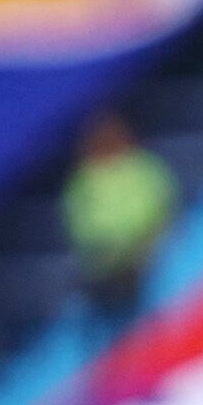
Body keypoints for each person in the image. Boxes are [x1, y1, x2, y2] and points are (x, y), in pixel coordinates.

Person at [62, 111, 175, 329]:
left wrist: (139, 243)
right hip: (101, 263)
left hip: (140, 258)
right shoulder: (84, 179)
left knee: (141, 311)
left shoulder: (141, 168)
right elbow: (78, 220)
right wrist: (102, 248)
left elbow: (158, 205)